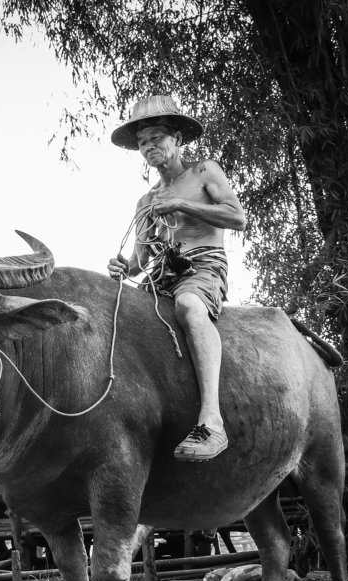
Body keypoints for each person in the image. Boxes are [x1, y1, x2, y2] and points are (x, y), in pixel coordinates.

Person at [107, 95, 247, 462]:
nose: (148, 146)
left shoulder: (203, 172)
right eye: (141, 142)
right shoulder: (146, 201)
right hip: (160, 276)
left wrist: (181, 204)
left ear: (177, 140)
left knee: (188, 305)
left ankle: (212, 421)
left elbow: (236, 217)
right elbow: (140, 260)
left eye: (156, 137)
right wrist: (124, 267)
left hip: (201, 265)